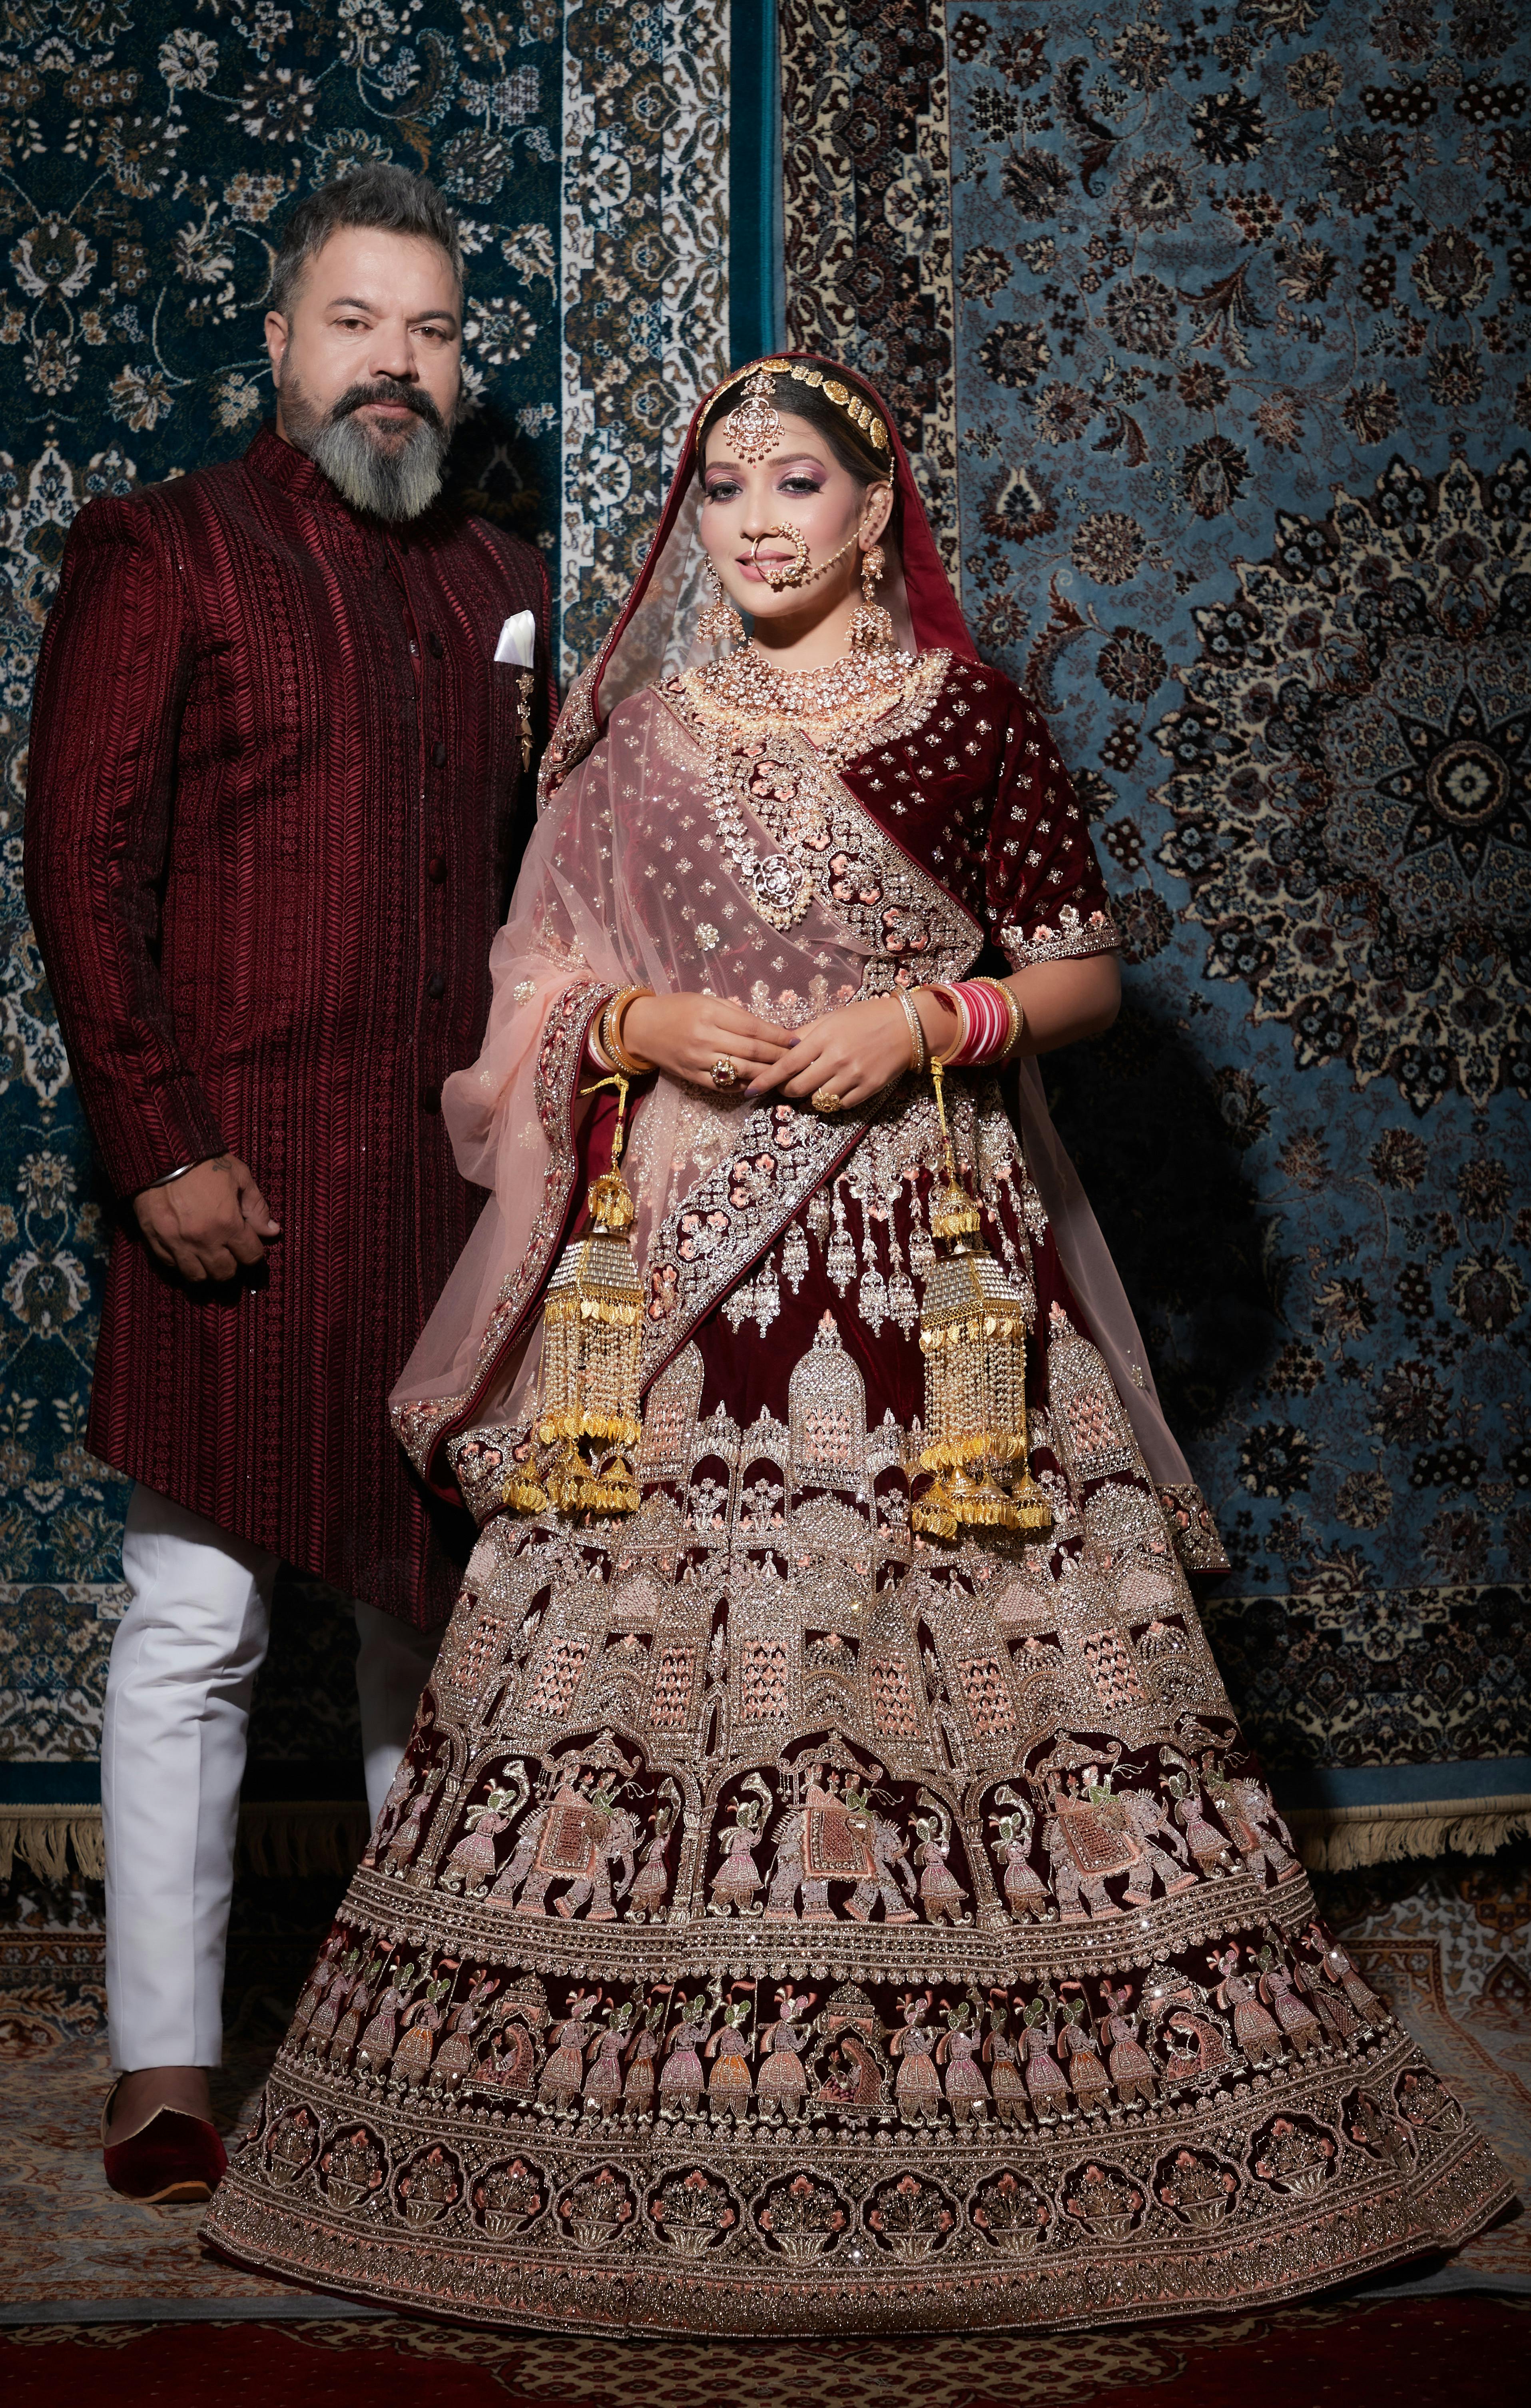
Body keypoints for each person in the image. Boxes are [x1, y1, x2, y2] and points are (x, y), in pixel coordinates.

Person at [201, 357, 1507, 2327]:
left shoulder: (964, 715)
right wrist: (629, 1033)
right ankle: (576, 2115)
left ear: (873, 505)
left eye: (792, 482)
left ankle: (1047, 2108)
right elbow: (535, 978)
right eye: (719, 489)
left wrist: (925, 1026)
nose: (751, 521)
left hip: (926, 1254)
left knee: (981, 1645)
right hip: (672, 1250)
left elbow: (1076, 976)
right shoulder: (630, 736)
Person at [23, 166, 553, 2204]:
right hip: (234, 1186)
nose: (395, 367)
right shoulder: (163, 549)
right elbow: (84, 868)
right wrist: (157, 1148)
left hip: (447, 1193)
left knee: (439, 1623)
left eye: (428, 331)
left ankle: (430, 2030)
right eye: (357, 324)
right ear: (280, 344)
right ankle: (167, 2065)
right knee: (199, 1616)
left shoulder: (494, 574)